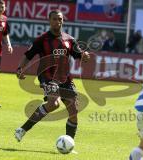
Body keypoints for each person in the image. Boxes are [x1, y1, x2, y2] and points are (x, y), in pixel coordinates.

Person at [14, 10, 90, 142]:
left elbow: (80, 55)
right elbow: (28, 55)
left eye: (60, 19)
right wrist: (20, 68)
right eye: (54, 19)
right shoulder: (42, 40)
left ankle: (69, 143)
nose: (57, 21)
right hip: (48, 77)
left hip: (65, 78)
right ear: (49, 21)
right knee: (54, 103)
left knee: (73, 110)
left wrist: (85, 56)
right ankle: (23, 129)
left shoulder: (70, 40)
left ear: (63, 21)